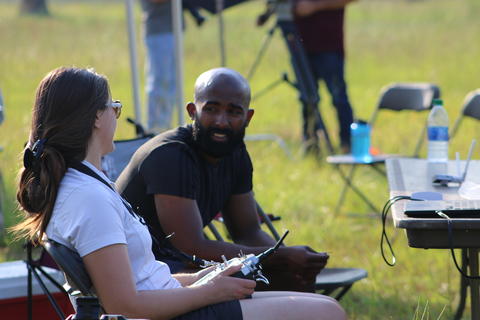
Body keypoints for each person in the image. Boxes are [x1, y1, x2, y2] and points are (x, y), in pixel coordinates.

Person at [13, 67, 347, 320]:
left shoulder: (85, 185)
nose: (117, 116)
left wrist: (202, 277)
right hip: (164, 315)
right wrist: (208, 292)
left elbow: (143, 280)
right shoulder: (88, 199)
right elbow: (123, 304)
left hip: (170, 302)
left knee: (327, 305)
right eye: (113, 107)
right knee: (327, 314)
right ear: (96, 118)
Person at [117, 67, 330, 293]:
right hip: (143, 275)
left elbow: (247, 231)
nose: (221, 121)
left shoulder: (234, 152)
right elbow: (191, 248)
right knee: (270, 279)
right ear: (192, 111)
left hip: (181, 267)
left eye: (234, 112)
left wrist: (291, 261)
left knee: (290, 279)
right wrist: (280, 257)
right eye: (211, 109)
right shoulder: (171, 155)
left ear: (248, 117)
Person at [293, 0, 356, 153]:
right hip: (299, 46)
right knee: (306, 99)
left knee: (339, 98)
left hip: (329, 46)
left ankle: (347, 146)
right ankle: (311, 146)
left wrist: (314, 5)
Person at [140, 0, 176, 132]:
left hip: (173, 28)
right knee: (160, 81)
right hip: (159, 30)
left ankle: (166, 125)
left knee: (172, 83)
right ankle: (154, 128)